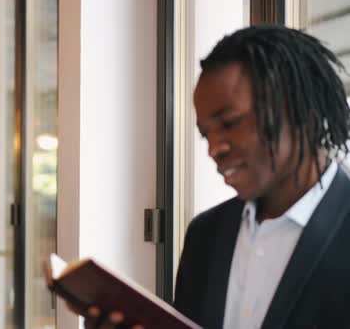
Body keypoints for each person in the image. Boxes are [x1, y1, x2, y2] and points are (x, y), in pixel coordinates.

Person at [81, 25, 350, 329]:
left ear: (302, 111)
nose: (213, 148)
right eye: (206, 133)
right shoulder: (204, 236)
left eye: (230, 123)